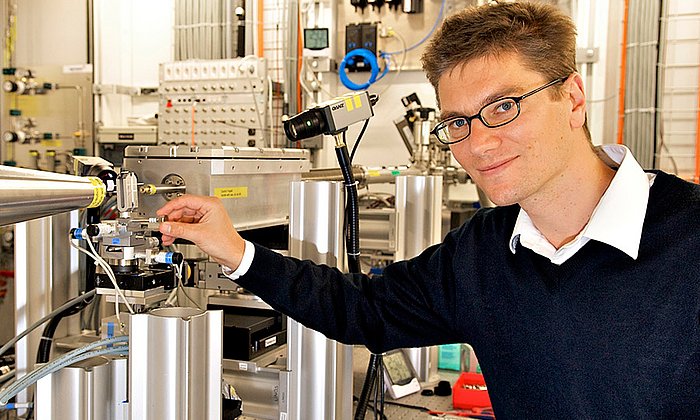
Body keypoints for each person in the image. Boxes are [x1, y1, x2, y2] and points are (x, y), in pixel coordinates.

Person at [157, 2, 700, 417]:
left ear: (574, 99)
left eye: (505, 107)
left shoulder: (689, 239)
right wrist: (236, 251)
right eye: (457, 122)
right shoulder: (485, 251)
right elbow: (362, 310)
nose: (479, 144)